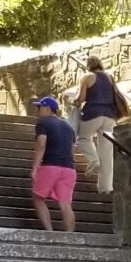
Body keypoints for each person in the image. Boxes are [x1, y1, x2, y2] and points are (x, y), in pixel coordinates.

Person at [71, 55, 128, 195]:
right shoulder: (109, 78)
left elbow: (81, 98)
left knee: (83, 138)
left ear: (88, 65)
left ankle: (93, 161)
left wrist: (74, 101)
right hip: (109, 116)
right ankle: (106, 188)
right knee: (107, 153)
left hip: (92, 114)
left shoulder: (87, 77)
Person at [29, 96, 79, 232]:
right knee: (65, 203)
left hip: (50, 165)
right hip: (69, 168)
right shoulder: (69, 127)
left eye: (39, 107)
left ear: (47, 108)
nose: (37, 111)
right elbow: (72, 149)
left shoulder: (43, 123)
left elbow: (41, 144)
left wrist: (35, 167)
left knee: (38, 198)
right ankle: (70, 235)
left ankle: (50, 232)